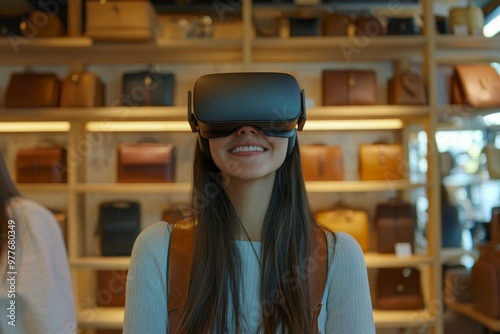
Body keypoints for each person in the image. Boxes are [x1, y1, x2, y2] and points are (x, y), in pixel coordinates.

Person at [123, 72, 375, 333]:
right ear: (200, 130)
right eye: (230, 121)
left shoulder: (338, 256)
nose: (246, 130)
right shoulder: (158, 251)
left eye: (264, 120)